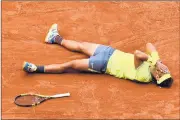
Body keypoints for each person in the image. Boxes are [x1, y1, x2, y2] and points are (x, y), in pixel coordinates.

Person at [23, 23, 173, 88]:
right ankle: (54, 38)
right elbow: (148, 44)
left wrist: (152, 59)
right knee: (81, 45)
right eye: (164, 71)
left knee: (70, 65)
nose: (162, 70)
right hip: (109, 52)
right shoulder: (155, 65)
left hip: (103, 64)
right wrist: (157, 59)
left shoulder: (144, 76)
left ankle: (36, 68)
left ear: (157, 78)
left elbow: (138, 54)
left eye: (162, 73)